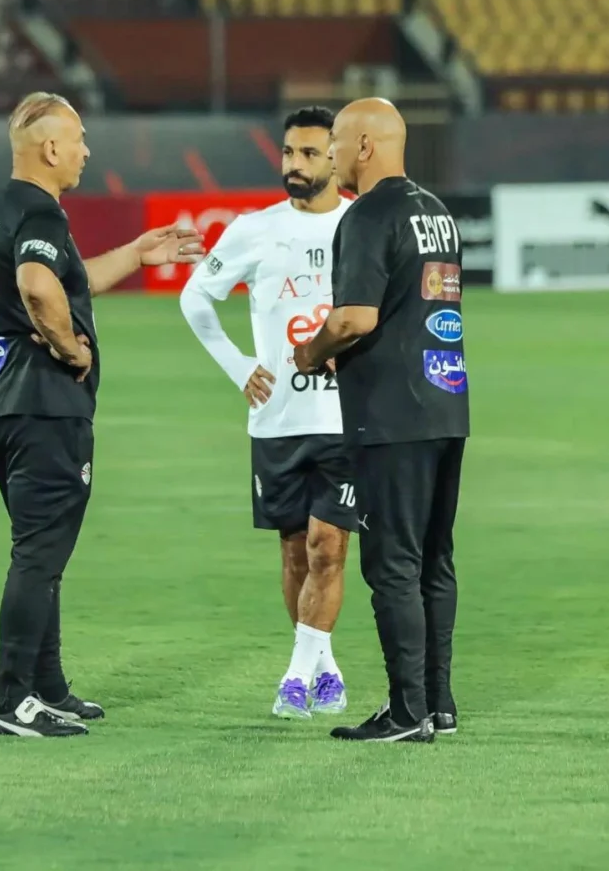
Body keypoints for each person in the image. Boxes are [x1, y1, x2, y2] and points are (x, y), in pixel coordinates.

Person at [0, 91, 203, 738]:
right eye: (78, 139)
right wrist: (72, 348)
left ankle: (46, 688)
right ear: (50, 148)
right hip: (45, 406)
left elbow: (69, 280)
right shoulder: (41, 212)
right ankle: (8, 701)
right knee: (39, 555)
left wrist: (136, 253)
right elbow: (39, 286)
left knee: (42, 552)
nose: (86, 151)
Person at [294, 97, 469, 744]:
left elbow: (354, 318)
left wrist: (311, 351)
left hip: (391, 414)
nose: (331, 154)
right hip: (447, 402)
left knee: (391, 564)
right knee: (434, 560)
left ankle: (405, 712)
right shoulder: (437, 214)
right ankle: (438, 704)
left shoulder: (367, 214)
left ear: (365, 146)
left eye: (336, 142)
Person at [180, 106, 358, 720]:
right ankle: (325, 668)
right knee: (294, 553)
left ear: (335, 157)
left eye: (308, 153)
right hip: (277, 419)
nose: (295, 164)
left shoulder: (361, 223)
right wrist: (238, 367)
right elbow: (195, 297)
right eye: (288, 152)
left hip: (344, 419)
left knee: (329, 546)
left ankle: (293, 680)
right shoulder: (254, 230)